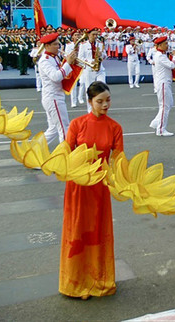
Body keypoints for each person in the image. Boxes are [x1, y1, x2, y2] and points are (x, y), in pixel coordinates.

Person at [60, 81, 123, 298]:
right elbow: (66, 152)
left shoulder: (115, 127)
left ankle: (99, 278)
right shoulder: (77, 124)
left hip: (100, 185)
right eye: (100, 101)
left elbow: (119, 160)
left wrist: (127, 182)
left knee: (97, 231)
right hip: (78, 185)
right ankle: (74, 280)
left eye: (108, 100)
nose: (105, 105)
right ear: (89, 102)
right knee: (77, 229)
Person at [38, 32, 77, 146]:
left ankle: (35, 148)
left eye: (58, 44)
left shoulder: (53, 57)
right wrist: (68, 63)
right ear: (47, 46)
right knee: (64, 129)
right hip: (53, 97)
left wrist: (71, 63)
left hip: (55, 96)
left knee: (54, 129)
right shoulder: (45, 60)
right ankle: (66, 156)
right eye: (55, 44)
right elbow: (55, 77)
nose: (58, 47)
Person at [149, 35, 175, 136]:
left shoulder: (162, 54)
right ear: (160, 45)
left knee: (169, 104)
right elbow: (172, 65)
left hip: (165, 82)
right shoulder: (160, 56)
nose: (167, 45)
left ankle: (156, 122)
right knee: (164, 106)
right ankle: (161, 129)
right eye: (165, 44)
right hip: (163, 83)